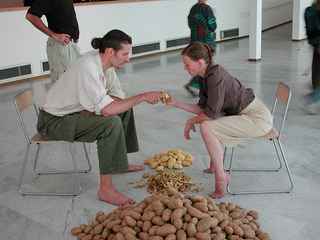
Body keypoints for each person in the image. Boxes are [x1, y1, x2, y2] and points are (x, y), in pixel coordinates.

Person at [36, 29, 163, 206]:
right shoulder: (89, 65)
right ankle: (106, 189)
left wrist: (101, 108)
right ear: (111, 51)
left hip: (72, 114)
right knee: (109, 123)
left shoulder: (103, 61)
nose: (128, 59)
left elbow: (116, 95)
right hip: (52, 122)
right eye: (125, 54)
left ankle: (118, 163)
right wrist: (141, 97)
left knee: (124, 109)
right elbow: (108, 109)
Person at [165, 42, 273, 199]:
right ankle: (217, 162)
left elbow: (210, 115)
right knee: (206, 124)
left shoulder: (215, 76)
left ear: (200, 62)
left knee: (206, 126)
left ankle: (221, 176)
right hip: (241, 113)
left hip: (257, 118)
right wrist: (177, 103)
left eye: (187, 64)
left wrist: (191, 121)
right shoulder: (204, 76)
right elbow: (203, 109)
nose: (185, 68)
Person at [26, 0, 81, 84]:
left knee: (74, 82)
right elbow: (30, 16)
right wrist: (54, 35)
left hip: (71, 45)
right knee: (63, 84)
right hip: (61, 47)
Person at [185, 0, 217, 97]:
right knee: (205, 64)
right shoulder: (206, 8)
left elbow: (190, 24)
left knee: (199, 63)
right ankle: (195, 85)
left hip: (195, 40)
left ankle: (198, 85)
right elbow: (212, 25)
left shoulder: (193, 8)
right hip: (206, 41)